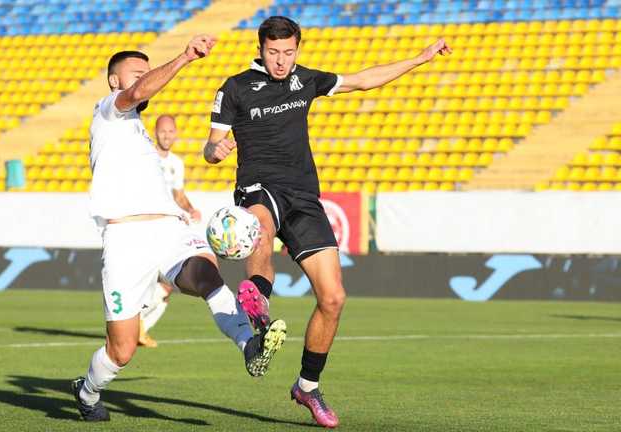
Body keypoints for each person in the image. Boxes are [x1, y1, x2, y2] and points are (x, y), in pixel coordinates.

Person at [205, 16, 451, 427]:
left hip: (304, 197)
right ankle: (259, 305)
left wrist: (421, 59)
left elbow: (363, 80)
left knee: (334, 298)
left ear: (297, 49)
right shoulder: (235, 87)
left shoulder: (307, 80)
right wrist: (217, 151)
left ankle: (307, 386)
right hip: (258, 187)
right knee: (259, 228)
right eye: (273, 52)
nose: (281, 61)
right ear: (260, 49)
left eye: (288, 52)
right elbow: (211, 146)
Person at [71, 36, 287, 422]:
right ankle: (87, 391)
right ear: (113, 81)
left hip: (169, 229)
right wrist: (186, 57)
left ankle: (249, 345)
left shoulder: (138, 131)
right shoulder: (108, 112)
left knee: (207, 274)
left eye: (146, 69)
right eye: (136, 72)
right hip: (125, 239)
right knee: (121, 351)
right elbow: (139, 90)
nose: (144, 77)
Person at [137, 114, 203, 348]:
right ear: (155, 132)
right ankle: (136, 324)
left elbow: (178, 195)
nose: (166, 135)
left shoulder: (176, 163)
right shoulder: (146, 158)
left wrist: (191, 209)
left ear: (176, 133)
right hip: (148, 226)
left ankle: (139, 327)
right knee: (161, 283)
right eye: (162, 131)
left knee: (167, 285)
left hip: (169, 227)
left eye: (170, 131)